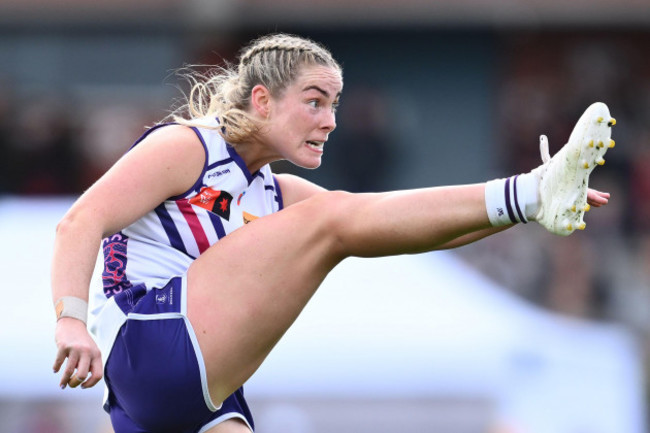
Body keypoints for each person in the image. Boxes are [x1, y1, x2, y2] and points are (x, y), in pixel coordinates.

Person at [51, 33, 615, 433]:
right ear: (262, 100)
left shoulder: (273, 193)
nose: (331, 121)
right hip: (146, 345)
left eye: (335, 105)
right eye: (315, 102)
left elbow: (400, 229)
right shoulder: (187, 147)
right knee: (334, 217)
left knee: (346, 218)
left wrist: (522, 213)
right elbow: (80, 221)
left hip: (179, 398)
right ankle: (532, 188)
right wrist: (71, 321)